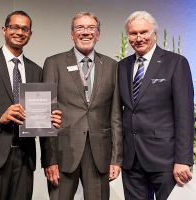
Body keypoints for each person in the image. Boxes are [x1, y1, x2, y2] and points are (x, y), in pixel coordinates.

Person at [0, 11, 61, 200]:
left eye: (25, 29)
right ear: (4, 30)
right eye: (14, 27)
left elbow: (39, 117)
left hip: (24, 159)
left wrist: (50, 120)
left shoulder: (36, 70)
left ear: (30, 34)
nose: (19, 32)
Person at [40, 11, 123, 200]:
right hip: (63, 153)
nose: (86, 32)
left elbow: (116, 115)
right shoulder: (54, 63)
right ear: (72, 34)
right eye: (80, 28)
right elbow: (45, 114)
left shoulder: (112, 66)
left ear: (98, 34)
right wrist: (49, 159)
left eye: (91, 28)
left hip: (99, 155)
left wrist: (116, 159)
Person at [118, 11, 194, 200]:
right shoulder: (122, 66)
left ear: (155, 34)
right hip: (131, 160)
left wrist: (183, 160)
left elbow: (184, 115)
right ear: (127, 36)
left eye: (144, 32)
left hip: (165, 161)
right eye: (133, 33)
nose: (139, 38)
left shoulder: (175, 63)